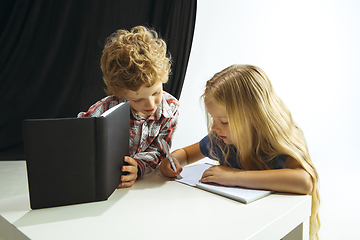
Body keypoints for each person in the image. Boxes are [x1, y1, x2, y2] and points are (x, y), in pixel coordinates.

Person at [160, 64, 320, 240]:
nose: (214, 127)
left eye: (224, 121)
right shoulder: (221, 141)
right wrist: (173, 160)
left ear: (253, 117)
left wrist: (233, 177)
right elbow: (188, 154)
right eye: (213, 118)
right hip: (238, 228)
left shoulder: (276, 140)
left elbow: (304, 181)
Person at [79, 26, 179, 188]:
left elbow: (159, 150)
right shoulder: (105, 109)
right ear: (121, 94)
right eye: (137, 99)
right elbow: (77, 139)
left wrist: (138, 167)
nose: (150, 104)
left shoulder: (171, 108)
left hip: (141, 189)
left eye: (156, 93)